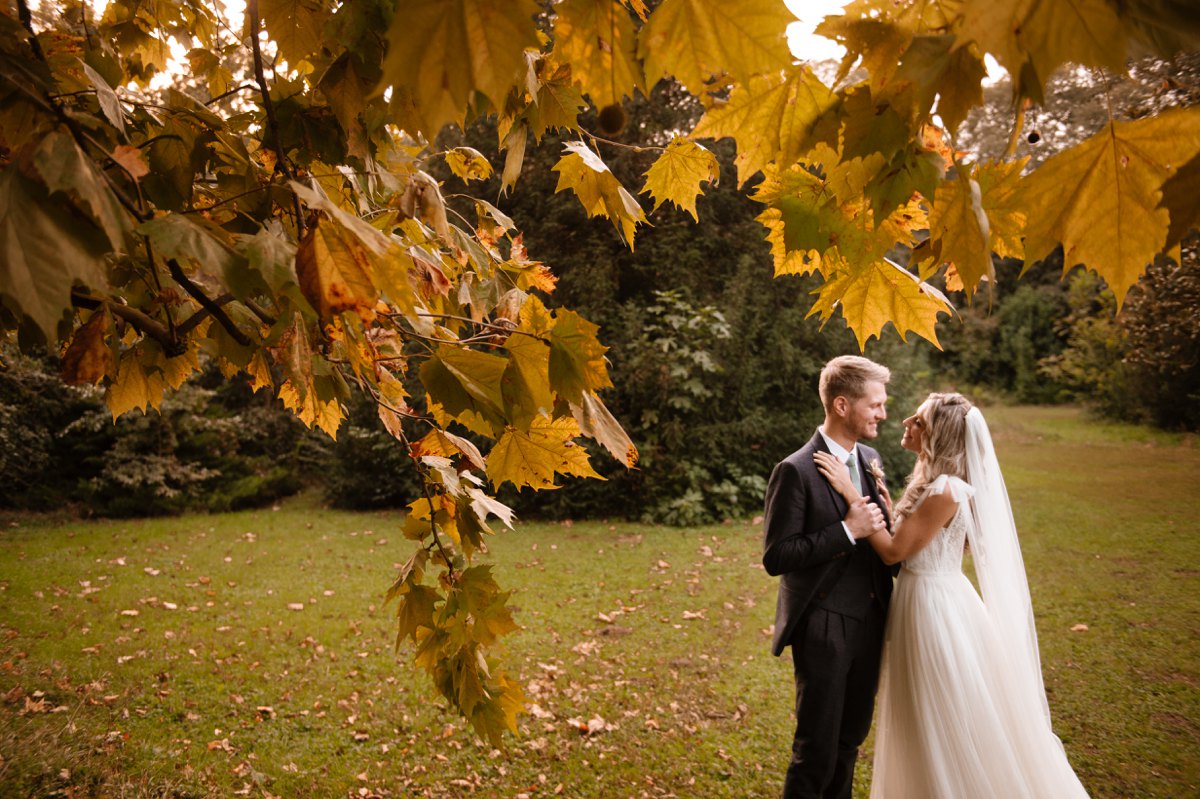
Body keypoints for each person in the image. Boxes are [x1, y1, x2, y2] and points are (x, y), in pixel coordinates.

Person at [814, 393, 1090, 798]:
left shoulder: (946, 488)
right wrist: (893, 514)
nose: (907, 420)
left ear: (937, 435)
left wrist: (851, 494)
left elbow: (893, 552)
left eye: (919, 420)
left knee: (937, 711)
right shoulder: (937, 484)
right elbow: (912, 542)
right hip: (925, 596)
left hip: (934, 608)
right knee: (922, 713)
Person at [762, 355, 894, 799]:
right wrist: (846, 531)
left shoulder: (871, 458)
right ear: (841, 405)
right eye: (874, 404)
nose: (882, 413)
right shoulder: (795, 470)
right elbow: (777, 556)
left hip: (873, 618)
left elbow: (884, 541)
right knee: (816, 746)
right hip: (823, 622)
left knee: (850, 741)